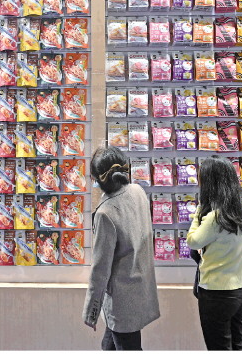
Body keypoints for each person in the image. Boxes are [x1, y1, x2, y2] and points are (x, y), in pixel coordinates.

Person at [83, 146, 160, 351]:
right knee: (109, 345)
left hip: (121, 300)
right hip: (141, 288)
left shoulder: (105, 213)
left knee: (128, 346)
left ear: (98, 179)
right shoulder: (137, 191)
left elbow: (100, 269)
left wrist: (91, 311)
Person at [187, 156, 242, 351]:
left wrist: (199, 210)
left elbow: (193, 241)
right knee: (237, 345)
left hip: (216, 293)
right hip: (241, 290)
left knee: (218, 347)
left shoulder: (215, 217)